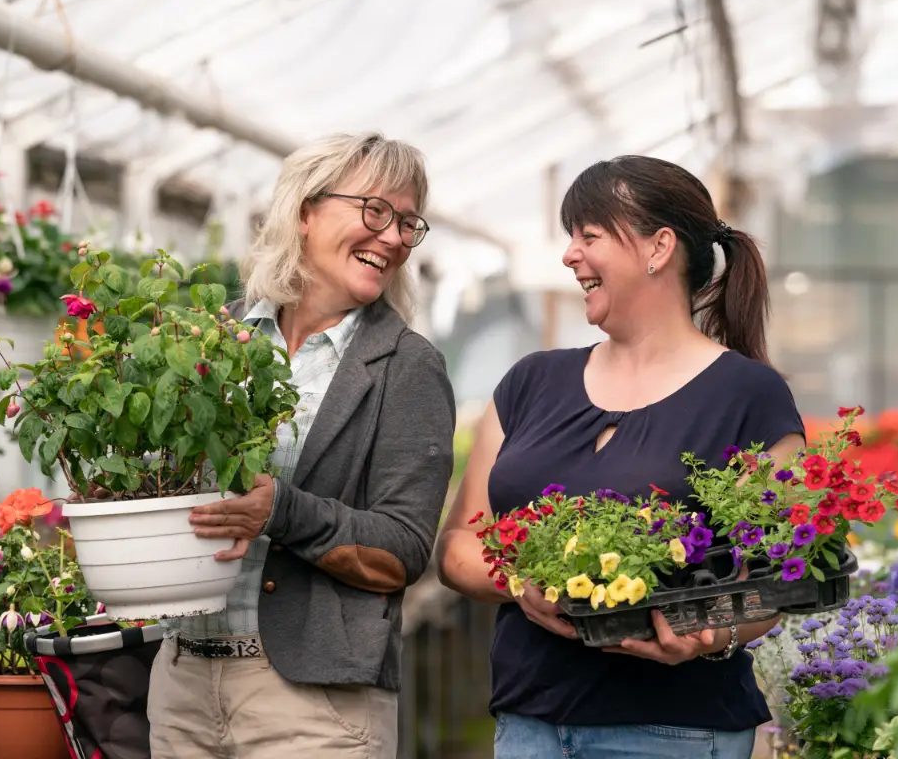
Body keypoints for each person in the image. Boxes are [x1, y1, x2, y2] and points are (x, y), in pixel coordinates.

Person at [436, 156, 805, 759]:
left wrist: (708, 633)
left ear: (659, 247)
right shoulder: (532, 382)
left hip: (676, 731)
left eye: (589, 235)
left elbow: (776, 581)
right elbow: (457, 547)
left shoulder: (749, 396)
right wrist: (520, 581)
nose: (569, 255)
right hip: (530, 723)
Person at [147, 132, 456, 759]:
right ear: (305, 211)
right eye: (375, 211)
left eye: (407, 223)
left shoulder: (405, 366)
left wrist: (281, 512)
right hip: (182, 678)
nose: (393, 238)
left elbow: (403, 550)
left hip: (312, 704)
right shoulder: (216, 341)